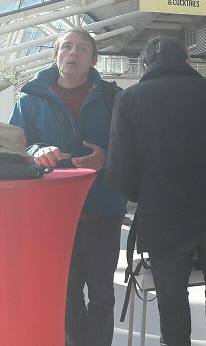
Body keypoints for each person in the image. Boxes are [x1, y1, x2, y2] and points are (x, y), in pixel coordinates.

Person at [105, 37, 206, 346]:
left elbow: (118, 172)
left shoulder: (130, 99)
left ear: (146, 65)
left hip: (163, 219)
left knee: (172, 309)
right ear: (187, 60)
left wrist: (150, 192)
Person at [9, 28, 126, 346]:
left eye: (82, 49)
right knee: (66, 293)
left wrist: (107, 157)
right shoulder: (30, 99)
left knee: (102, 294)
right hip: (52, 212)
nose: (72, 53)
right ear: (55, 55)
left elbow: (132, 147)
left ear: (93, 59)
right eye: (66, 47)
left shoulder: (113, 98)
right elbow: (14, 150)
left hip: (103, 208)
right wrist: (37, 152)